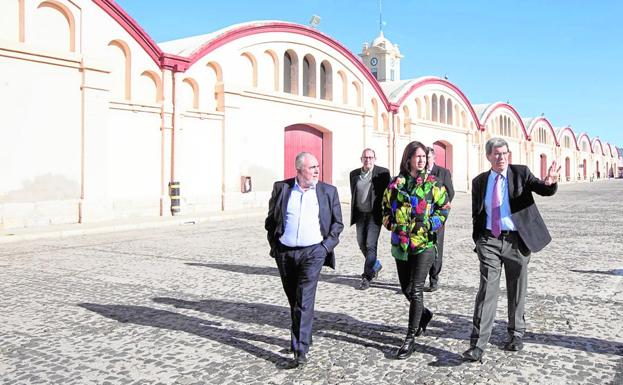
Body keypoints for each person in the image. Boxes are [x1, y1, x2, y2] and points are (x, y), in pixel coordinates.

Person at [463, 137, 560, 363]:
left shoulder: (521, 173)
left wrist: (550, 182)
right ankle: (477, 344)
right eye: (497, 154)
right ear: (488, 156)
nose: (501, 158)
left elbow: (543, 188)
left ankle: (516, 333)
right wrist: (478, 240)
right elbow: (477, 213)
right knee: (487, 289)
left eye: (505, 153)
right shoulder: (479, 181)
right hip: (489, 240)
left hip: (517, 240)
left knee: (517, 288)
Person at [265, 152, 344, 367]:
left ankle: (300, 349)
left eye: (318, 166)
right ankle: (304, 336)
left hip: (313, 253)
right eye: (312, 167)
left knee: (304, 298)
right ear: (299, 170)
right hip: (286, 253)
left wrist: (325, 248)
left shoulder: (328, 191)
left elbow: (337, 224)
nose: (317, 170)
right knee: (294, 299)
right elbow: (271, 220)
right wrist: (276, 246)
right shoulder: (282, 188)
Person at [382, 141, 449, 359]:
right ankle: (425, 314)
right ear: (408, 158)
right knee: (406, 289)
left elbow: (444, 207)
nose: (422, 160)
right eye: (417, 156)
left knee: (417, 289)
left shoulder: (433, 183)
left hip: (424, 244)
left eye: (424, 157)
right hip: (401, 244)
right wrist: (391, 224)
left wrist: (430, 224)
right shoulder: (396, 184)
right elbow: (384, 206)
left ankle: (409, 339)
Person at [349, 148, 391, 290]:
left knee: (370, 245)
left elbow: (389, 193)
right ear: (361, 159)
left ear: (375, 158)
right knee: (361, 243)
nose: (368, 160)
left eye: (371, 157)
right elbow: (354, 194)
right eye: (365, 158)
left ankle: (367, 276)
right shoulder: (354, 175)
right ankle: (376, 265)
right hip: (360, 214)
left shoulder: (383, 173)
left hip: (375, 215)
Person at [425, 146, 455, 292]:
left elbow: (450, 192)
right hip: (420, 219)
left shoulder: (443, 173)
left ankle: (434, 278)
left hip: (437, 217)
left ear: (434, 157)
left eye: (428, 157)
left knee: (436, 247)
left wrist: (441, 210)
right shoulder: (417, 172)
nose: (425, 160)